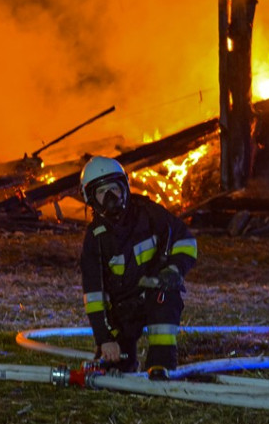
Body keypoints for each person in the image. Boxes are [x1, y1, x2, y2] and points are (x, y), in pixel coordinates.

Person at [78, 156, 198, 377]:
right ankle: (124, 363)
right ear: (90, 199)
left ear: (125, 186)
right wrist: (105, 339)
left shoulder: (150, 214)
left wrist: (174, 269)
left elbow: (186, 240)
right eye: (102, 193)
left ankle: (161, 364)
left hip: (154, 290)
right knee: (115, 367)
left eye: (114, 188)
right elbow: (94, 294)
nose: (111, 197)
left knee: (166, 296)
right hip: (122, 307)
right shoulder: (95, 239)